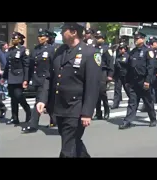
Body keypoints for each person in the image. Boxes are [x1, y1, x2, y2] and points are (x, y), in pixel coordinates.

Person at [36, 22, 101, 157]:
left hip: (75, 108)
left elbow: (92, 86)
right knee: (73, 142)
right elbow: (50, 77)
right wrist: (43, 99)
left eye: (64, 30)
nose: (61, 32)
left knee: (67, 149)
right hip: (59, 107)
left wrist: (87, 113)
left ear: (73, 32)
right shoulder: (60, 51)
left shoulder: (90, 53)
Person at [119, 31, 157, 129]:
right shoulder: (132, 52)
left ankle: (153, 119)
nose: (135, 40)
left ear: (142, 39)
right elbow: (128, 67)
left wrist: (148, 81)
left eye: (137, 38)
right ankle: (127, 121)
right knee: (132, 102)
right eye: (135, 38)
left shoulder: (148, 51)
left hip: (143, 81)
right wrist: (127, 81)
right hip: (133, 82)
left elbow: (150, 68)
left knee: (148, 102)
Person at [22, 29, 55, 134]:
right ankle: (55, 120)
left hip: (47, 79)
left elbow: (55, 65)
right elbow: (30, 66)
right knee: (47, 102)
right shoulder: (35, 49)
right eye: (39, 36)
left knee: (39, 101)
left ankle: (33, 125)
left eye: (42, 36)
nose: (40, 38)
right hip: (36, 78)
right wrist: (26, 79)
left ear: (47, 38)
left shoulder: (51, 49)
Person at [1, 32, 31, 125]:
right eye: (12, 39)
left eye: (15, 39)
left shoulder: (23, 50)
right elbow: (7, 65)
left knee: (18, 96)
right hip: (11, 77)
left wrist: (25, 79)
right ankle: (15, 118)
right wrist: (4, 77)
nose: (13, 40)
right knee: (13, 99)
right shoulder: (10, 50)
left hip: (19, 77)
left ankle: (28, 110)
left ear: (20, 40)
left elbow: (26, 66)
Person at [92, 30, 114, 121]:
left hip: (103, 72)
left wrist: (110, 75)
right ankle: (98, 113)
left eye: (100, 38)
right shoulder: (93, 48)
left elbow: (110, 63)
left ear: (103, 38)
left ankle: (106, 110)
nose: (98, 39)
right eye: (96, 37)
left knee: (102, 93)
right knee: (95, 94)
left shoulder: (106, 49)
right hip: (94, 72)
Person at [139, 37, 157, 112]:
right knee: (147, 90)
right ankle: (147, 106)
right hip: (149, 74)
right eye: (150, 44)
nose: (151, 45)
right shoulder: (148, 51)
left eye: (153, 43)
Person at [112, 42, 130, 109]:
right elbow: (115, 65)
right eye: (119, 48)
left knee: (127, 89)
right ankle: (116, 103)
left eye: (122, 48)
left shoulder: (127, 56)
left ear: (125, 49)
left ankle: (132, 101)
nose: (120, 50)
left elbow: (126, 63)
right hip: (118, 75)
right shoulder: (118, 56)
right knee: (117, 89)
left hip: (125, 75)